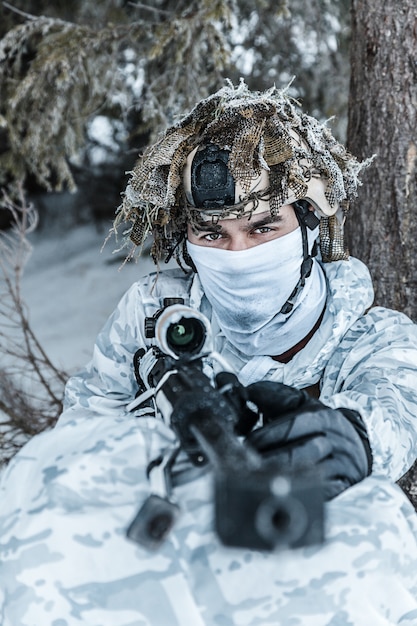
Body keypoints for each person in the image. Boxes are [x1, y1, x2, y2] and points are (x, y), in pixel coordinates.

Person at [1, 81, 417, 626]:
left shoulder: (375, 339)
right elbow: (81, 432)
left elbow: (394, 417)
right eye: (213, 234)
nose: (239, 255)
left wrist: (349, 437)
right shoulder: (157, 312)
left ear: (311, 228)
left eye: (264, 227)